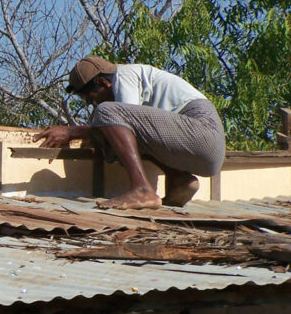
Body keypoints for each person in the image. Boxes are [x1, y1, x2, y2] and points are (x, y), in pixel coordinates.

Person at [34, 55, 226, 210]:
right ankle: (179, 179)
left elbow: (119, 120)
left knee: (106, 113)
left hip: (203, 130)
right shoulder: (126, 87)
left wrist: (71, 131)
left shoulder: (124, 76)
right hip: (202, 147)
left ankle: (141, 189)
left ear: (103, 82)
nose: (93, 104)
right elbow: (125, 134)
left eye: (92, 98)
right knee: (114, 139)